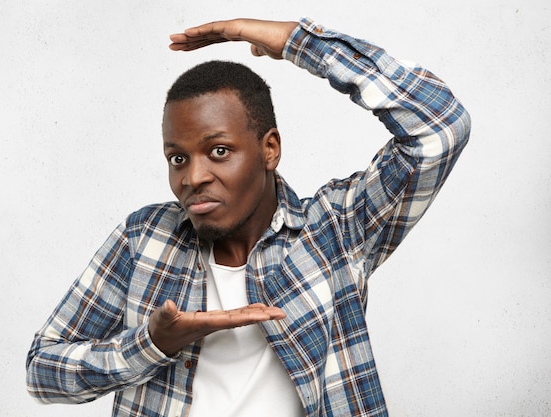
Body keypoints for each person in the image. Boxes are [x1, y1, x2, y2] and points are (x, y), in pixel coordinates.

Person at [26, 17, 470, 417]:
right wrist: (152, 344)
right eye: (177, 158)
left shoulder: (335, 230)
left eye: (219, 151)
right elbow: (41, 370)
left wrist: (298, 42)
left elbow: (440, 126)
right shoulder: (143, 238)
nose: (193, 177)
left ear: (269, 149)